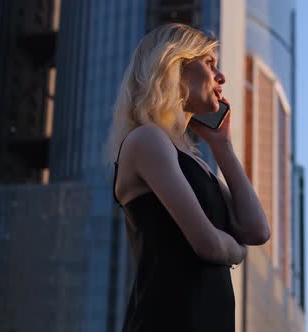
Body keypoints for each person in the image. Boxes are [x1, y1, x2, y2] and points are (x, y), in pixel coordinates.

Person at [106, 23, 270, 332]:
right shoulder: (148, 141)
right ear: (174, 64)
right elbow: (207, 244)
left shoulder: (194, 162)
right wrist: (236, 251)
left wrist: (222, 146)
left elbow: (256, 230)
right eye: (209, 64)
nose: (220, 78)